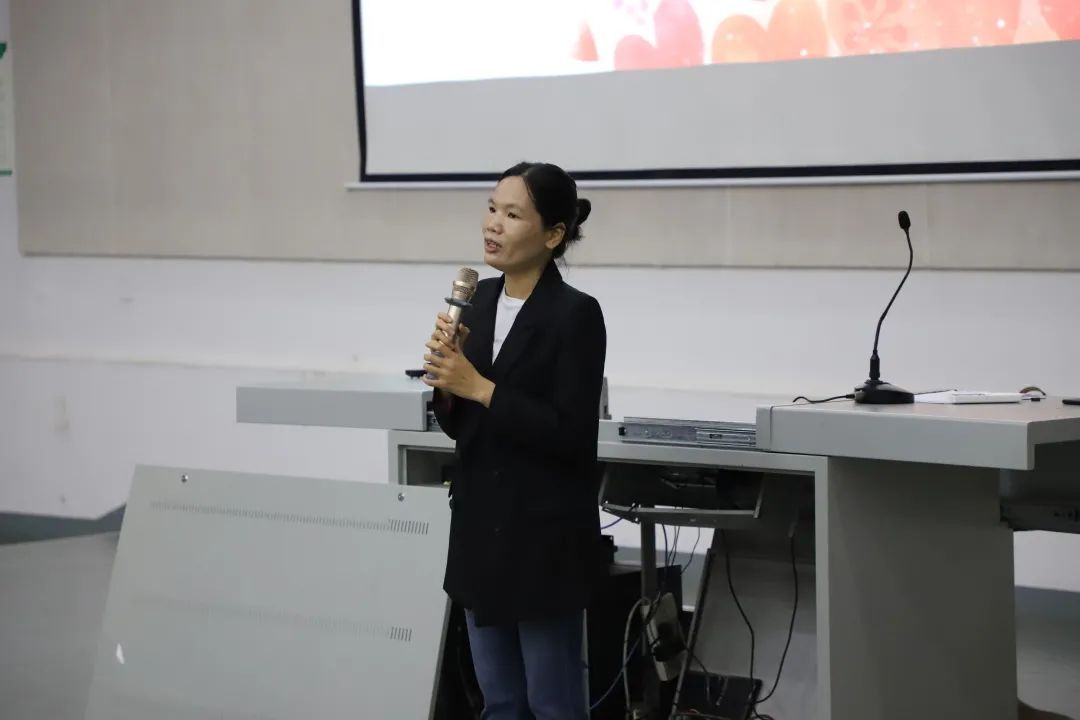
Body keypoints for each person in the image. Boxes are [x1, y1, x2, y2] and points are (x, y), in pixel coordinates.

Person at [421, 161, 607, 720]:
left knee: (552, 704)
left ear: (552, 235)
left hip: (542, 540)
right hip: (481, 533)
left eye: (512, 214)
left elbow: (571, 434)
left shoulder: (575, 314)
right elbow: (460, 424)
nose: (493, 225)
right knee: (499, 703)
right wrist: (447, 382)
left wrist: (479, 387)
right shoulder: (477, 302)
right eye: (491, 209)